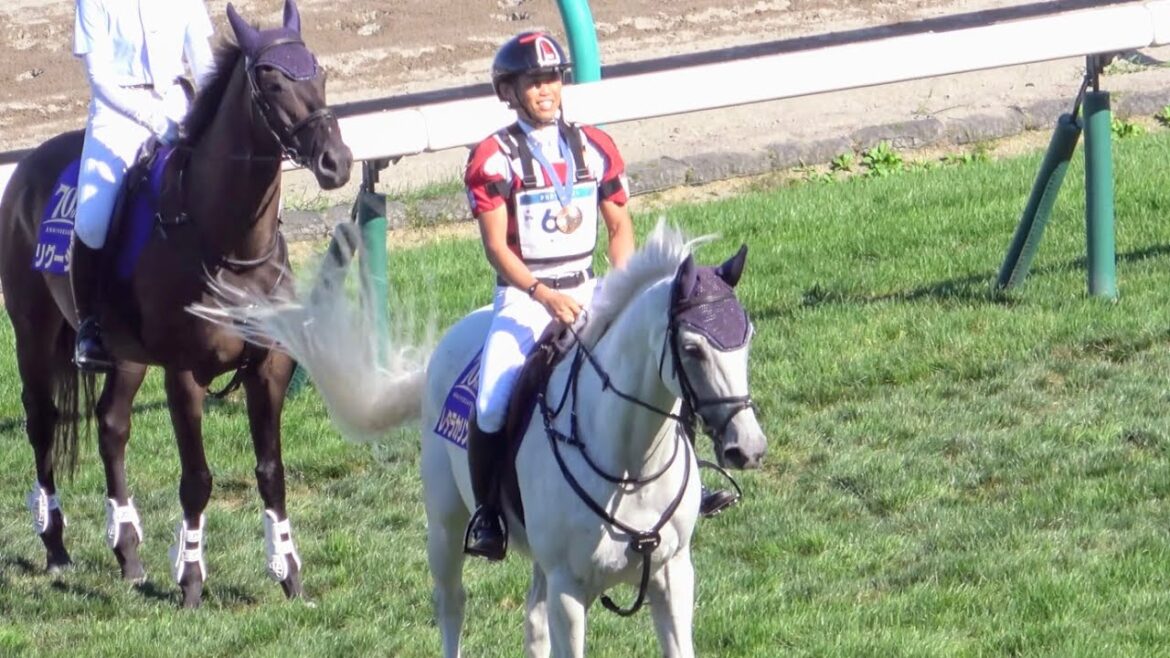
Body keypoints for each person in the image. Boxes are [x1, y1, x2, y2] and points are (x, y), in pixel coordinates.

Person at [461, 31, 736, 562]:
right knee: (493, 398)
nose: (545, 90)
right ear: (509, 91)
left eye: (551, 79)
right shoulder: (493, 157)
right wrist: (543, 295)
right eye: (531, 82)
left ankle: (691, 482)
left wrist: (623, 286)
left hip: (590, 285)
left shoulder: (595, 145)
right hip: (526, 296)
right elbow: (497, 248)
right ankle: (488, 515)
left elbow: (619, 226)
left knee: (660, 365)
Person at [70, 0, 215, 371]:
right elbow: (99, 78)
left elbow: (204, 63)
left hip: (177, 104)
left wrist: (212, 113)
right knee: (92, 220)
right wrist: (150, 117)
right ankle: (90, 326)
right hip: (117, 113)